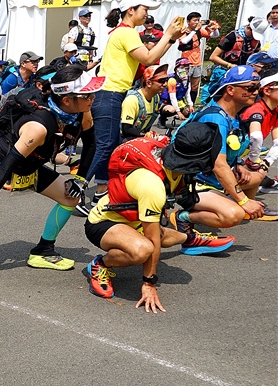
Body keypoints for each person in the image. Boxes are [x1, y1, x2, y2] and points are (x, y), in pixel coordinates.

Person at [84, 123, 240, 310]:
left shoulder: (172, 160)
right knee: (144, 249)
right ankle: (100, 264)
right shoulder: (152, 185)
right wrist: (149, 282)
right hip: (104, 222)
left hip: (134, 219)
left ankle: (190, 239)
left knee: (159, 235)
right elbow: (152, 239)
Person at [0, 65, 98, 272]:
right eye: (87, 94)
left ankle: (43, 251)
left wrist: (80, 180)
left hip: (29, 166)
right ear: (67, 100)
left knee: (71, 197)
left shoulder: (82, 113)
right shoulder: (39, 127)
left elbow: (91, 144)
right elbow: (6, 166)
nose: (93, 98)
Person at [82, 0, 181, 209]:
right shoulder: (127, 32)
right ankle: (78, 190)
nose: (147, 13)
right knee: (105, 145)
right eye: (145, 9)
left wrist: (170, 39)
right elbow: (147, 58)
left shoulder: (126, 32)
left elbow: (151, 57)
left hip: (110, 94)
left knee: (109, 145)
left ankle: (99, 192)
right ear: (131, 10)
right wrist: (168, 35)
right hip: (109, 94)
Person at [184, 65, 276, 220]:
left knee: (256, 174)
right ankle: (183, 217)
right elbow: (218, 165)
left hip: (212, 177)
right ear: (231, 90)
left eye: (257, 87)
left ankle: (252, 208)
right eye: (251, 87)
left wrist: (238, 164)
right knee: (234, 215)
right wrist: (243, 200)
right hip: (194, 182)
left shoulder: (234, 116)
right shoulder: (216, 119)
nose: (256, 92)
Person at [176, 12, 219, 104]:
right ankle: (181, 105)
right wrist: (195, 30)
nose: (197, 22)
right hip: (185, 63)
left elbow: (214, 35)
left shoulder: (199, 31)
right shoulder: (184, 31)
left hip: (197, 62)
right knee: (183, 85)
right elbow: (184, 41)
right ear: (188, 21)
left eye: (198, 20)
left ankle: (191, 105)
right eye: (195, 20)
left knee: (195, 86)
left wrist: (214, 27)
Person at [121, 64, 167, 141]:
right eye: (161, 81)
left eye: (166, 80)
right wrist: (146, 135)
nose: (165, 84)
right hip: (125, 139)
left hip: (139, 137)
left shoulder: (156, 98)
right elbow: (126, 130)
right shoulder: (132, 99)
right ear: (148, 83)